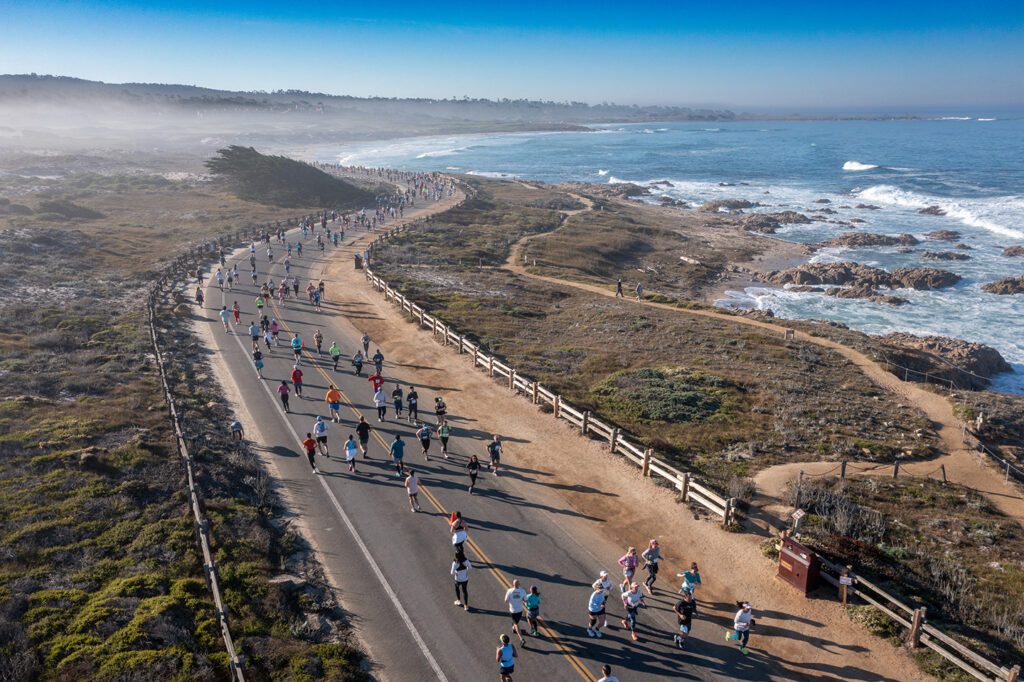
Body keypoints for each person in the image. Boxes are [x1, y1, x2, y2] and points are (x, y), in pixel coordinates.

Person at [503, 580, 528, 646]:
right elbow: (525, 600)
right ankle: (514, 628)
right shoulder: (522, 591)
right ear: (519, 584)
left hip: (513, 611)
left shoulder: (510, 591)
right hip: (520, 610)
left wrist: (511, 600)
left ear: (513, 584)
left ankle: (521, 639)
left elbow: (505, 600)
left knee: (516, 623)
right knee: (516, 622)